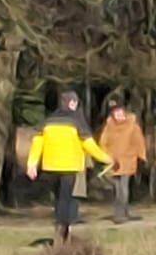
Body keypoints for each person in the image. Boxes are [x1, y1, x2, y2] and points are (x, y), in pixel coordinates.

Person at [26, 92, 113, 243]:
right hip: (69, 167)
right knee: (65, 199)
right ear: (72, 103)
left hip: (50, 166)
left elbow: (37, 143)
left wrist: (31, 164)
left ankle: (60, 230)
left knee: (58, 200)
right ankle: (63, 233)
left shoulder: (48, 122)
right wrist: (106, 158)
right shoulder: (77, 122)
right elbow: (89, 145)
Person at [98, 99, 148, 225]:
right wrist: (106, 157)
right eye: (115, 112)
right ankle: (120, 212)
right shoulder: (109, 126)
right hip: (113, 162)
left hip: (128, 160)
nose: (118, 114)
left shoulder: (133, 125)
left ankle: (122, 213)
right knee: (116, 188)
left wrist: (142, 157)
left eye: (120, 111)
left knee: (123, 188)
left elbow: (139, 141)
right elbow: (103, 143)